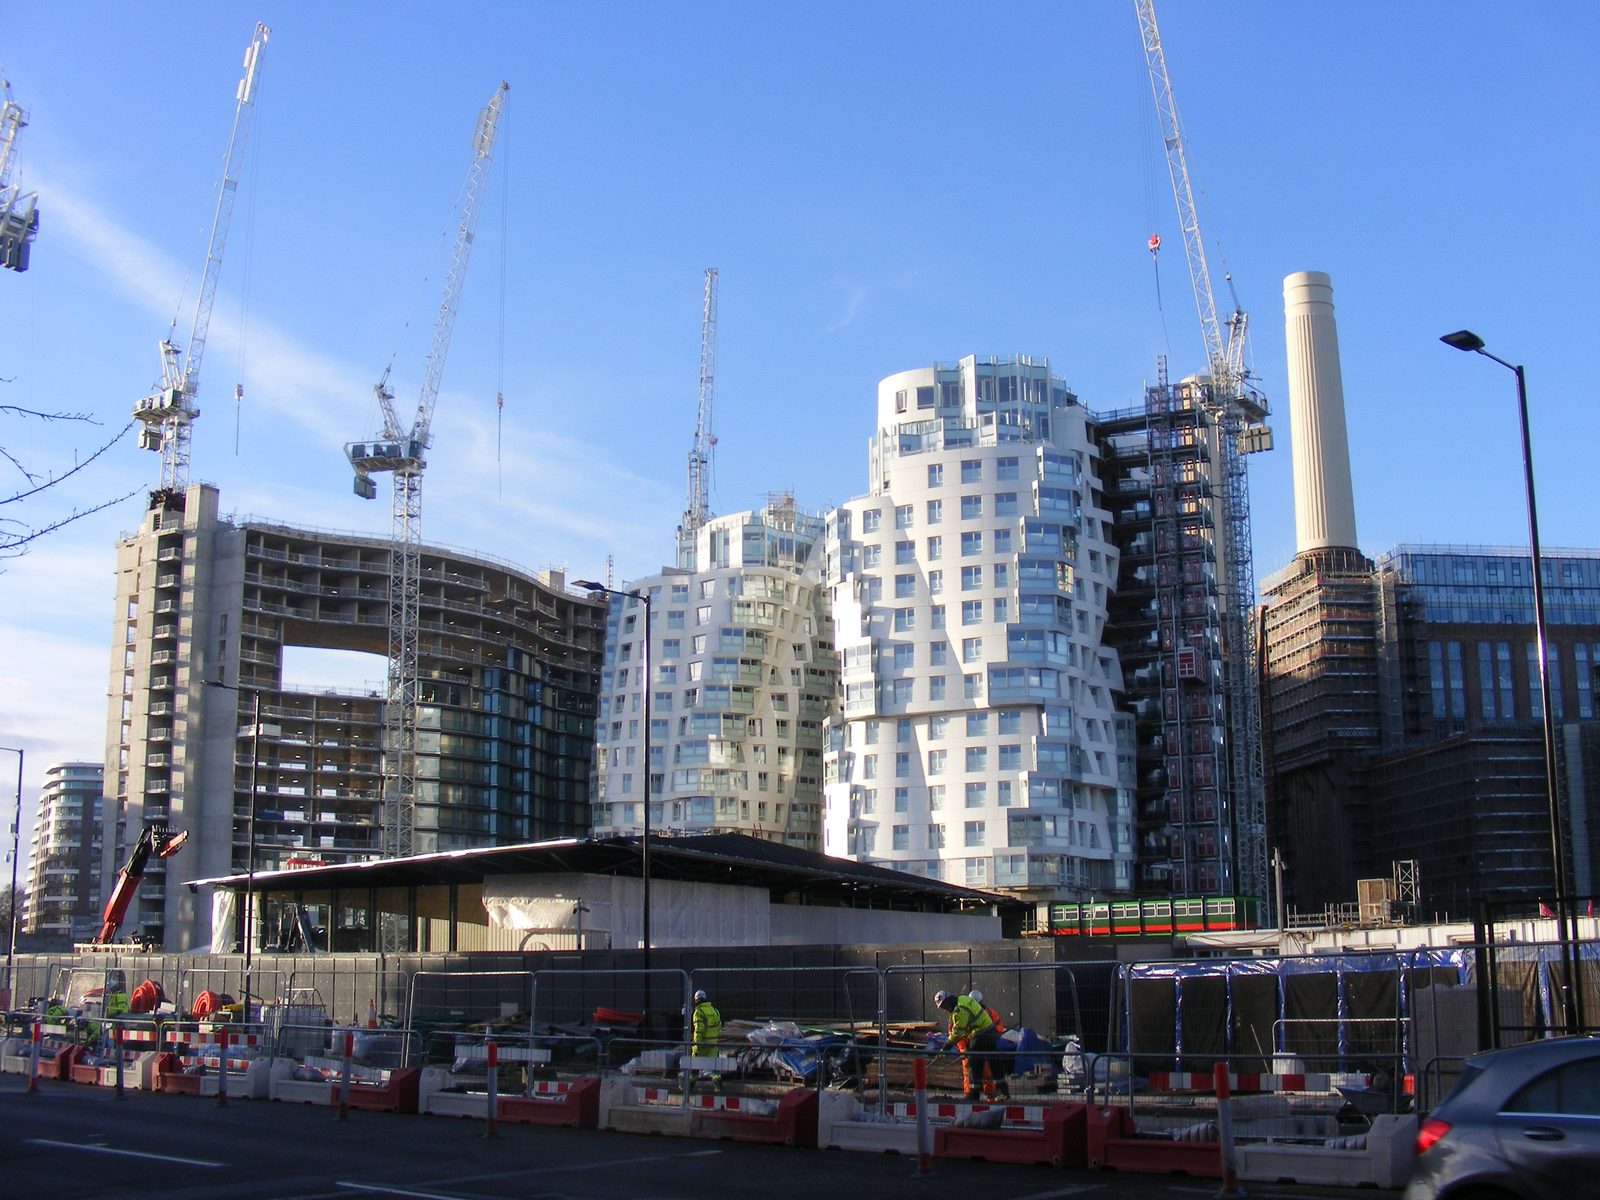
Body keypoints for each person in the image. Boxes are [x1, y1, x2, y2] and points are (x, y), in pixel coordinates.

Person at [935, 988, 1008, 1101]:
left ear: (948, 1001)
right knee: (994, 1063)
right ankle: (1003, 1092)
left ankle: (973, 1095)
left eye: (944, 1006)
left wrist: (945, 1048)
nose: (945, 1009)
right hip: (989, 1032)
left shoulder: (959, 1010)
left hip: (979, 1034)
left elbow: (957, 1033)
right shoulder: (962, 999)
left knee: (974, 1065)